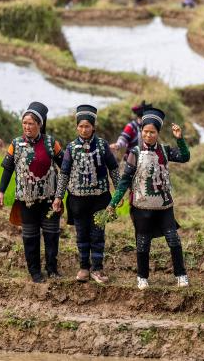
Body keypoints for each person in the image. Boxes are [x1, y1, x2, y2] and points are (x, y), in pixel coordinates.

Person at [110, 107, 190, 289]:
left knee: (173, 239)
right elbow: (125, 180)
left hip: (164, 206)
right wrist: (113, 203)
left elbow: (185, 157)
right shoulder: (135, 153)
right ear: (141, 131)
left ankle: (181, 274)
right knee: (143, 242)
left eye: (152, 132)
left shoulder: (165, 150)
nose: (148, 135)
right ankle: (142, 277)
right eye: (145, 131)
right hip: (142, 206)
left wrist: (180, 139)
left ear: (158, 133)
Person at [0, 102, 65, 283]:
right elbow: (8, 169)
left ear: (39, 124)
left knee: (52, 235)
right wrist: (1, 192)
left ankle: (52, 269)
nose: (27, 127)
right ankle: (35, 272)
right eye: (24, 123)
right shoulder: (16, 144)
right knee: (30, 237)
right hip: (26, 200)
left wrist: (62, 193)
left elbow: (65, 167)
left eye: (31, 123)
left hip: (49, 200)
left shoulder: (51, 143)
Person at [57, 104, 119, 283]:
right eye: (81, 126)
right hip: (77, 200)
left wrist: (118, 193)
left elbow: (114, 169)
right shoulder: (71, 148)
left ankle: (97, 269)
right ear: (77, 127)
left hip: (100, 199)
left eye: (87, 126)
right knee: (81, 234)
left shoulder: (102, 146)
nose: (84, 130)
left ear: (93, 127)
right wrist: (58, 197)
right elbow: (64, 173)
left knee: (98, 235)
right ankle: (84, 267)